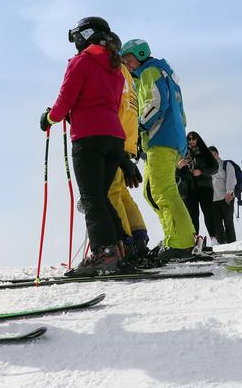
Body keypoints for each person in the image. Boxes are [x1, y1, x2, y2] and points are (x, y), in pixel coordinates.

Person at [41, 16, 138, 277]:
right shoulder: (117, 67)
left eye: (76, 37)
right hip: (113, 137)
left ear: (85, 35)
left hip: (89, 137)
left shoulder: (82, 60)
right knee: (101, 195)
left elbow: (66, 98)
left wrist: (50, 118)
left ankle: (103, 253)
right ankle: (120, 250)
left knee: (92, 198)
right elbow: (107, 102)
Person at [120, 39, 195, 261]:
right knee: (152, 192)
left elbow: (157, 103)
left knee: (163, 190)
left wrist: (138, 126)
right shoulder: (163, 72)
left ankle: (182, 243)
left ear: (140, 54)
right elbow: (180, 111)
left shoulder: (151, 71)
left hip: (161, 137)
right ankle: (175, 236)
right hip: (168, 137)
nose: (128, 65)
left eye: (129, 59)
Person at [105, 32, 150, 262]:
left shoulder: (117, 71)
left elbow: (112, 102)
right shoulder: (132, 77)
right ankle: (139, 238)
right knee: (122, 191)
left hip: (117, 138)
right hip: (129, 140)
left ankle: (125, 243)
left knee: (112, 191)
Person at [176, 131, 218, 239]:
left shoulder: (205, 152)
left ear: (197, 139)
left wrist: (201, 172)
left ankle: (214, 238)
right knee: (192, 215)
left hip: (205, 187)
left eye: (193, 138)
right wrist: (178, 167)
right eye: (189, 139)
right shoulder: (182, 153)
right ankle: (194, 240)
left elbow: (215, 168)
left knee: (208, 212)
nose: (191, 141)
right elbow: (175, 174)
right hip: (189, 188)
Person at [209, 146, 237, 243]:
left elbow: (231, 179)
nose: (213, 157)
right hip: (214, 200)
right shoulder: (208, 168)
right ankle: (221, 245)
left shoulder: (226, 164)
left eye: (214, 154)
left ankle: (232, 244)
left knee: (228, 222)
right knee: (217, 224)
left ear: (217, 154)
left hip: (226, 198)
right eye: (210, 155)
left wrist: (229, 192)